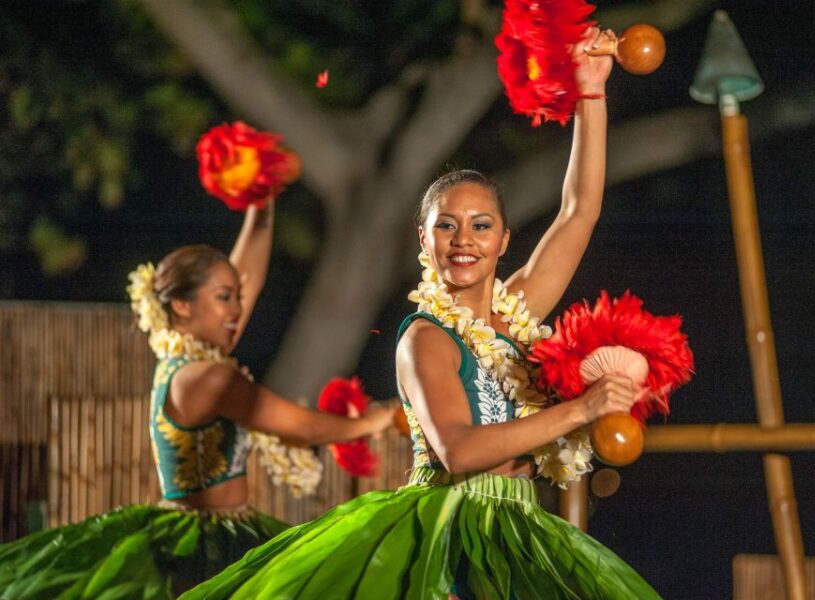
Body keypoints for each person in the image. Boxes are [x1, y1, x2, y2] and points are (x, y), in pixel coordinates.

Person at [179, 28, 660, 599]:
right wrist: (580, 410)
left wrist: (590, 93)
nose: (464, 240)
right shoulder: (425, 338)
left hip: (522, 529)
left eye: (481, 226)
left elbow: (579, 211)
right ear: (423, 240)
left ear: (504, 240)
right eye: (446, 226)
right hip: (447, 536)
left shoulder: (519, 310)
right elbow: (458, 448)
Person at [0, 200, 395, 599]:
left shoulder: (186, 361)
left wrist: (262, 207)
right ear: (182, 305)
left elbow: (248, 280)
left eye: (237, 298)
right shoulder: (210, 379)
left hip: (216, 528)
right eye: (225, 297)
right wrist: (373, 420)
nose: (237, 309)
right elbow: (303, 426)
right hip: (204, 548)